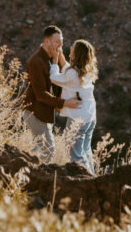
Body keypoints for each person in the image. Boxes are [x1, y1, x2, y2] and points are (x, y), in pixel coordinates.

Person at [22, 25, 80, 161]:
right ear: (47, 42)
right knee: (48, 150)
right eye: (57, 41)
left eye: (62, 41)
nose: (60, 45)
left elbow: (63, 78)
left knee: (37, 152)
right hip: (35, 112)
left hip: (44, 113)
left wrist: (58, 59)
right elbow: (41, 94)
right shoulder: (36, 61)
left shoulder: (52, 58)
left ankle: (26, 174)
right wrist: (64, 103)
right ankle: (37, 179)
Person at [48, 39, 98, 174]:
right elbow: (66, 68)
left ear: (77, 53)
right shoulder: (85, 70)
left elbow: (54, 78)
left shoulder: (72, 74)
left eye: (73, 47)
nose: (70, 47)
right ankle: (92, 176)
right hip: (90, 117)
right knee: (86, 150)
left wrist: (54, 60)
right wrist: (59, 54)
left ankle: (83, 180)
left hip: (77, 119)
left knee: (75, 155)